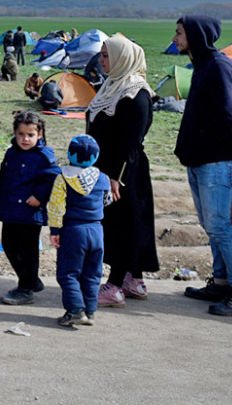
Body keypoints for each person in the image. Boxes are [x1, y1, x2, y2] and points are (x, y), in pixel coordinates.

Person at [87, 36, 158, 309]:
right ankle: (133, 280)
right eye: (102, 55)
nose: (102, 61)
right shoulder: (112, 86)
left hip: (125, 172)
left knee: (123, 225)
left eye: (106, 56)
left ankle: (115, 285)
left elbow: (133, 140)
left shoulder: (136, 93)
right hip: (108, 169)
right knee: (131, 223)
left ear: (122, 58)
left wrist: (117, 176)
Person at [172, 16, 232, 316]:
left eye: (180, 32)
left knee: (219, 225)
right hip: (199, 160)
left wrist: (200, 142)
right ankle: (221, 282)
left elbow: (227, 116)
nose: (175, 38)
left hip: (215, 161)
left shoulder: (219, 67)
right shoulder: (201, 67)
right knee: (210, 226)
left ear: (196, 35)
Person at [0, 111, 60, 306]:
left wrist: (39, 196)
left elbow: (54, 178)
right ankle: (30, 280)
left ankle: (25, 289)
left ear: (39, 134)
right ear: (15, 132)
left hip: (30, 214)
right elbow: (5, 175)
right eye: (21, 134)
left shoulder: (42, 157)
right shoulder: (12, 153)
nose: (25, 139)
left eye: (30, 135)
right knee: (9, 245)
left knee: (28, 251)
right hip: (10, 210)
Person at [48, 135, 111, 327]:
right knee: (92, 274)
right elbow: (107, 201)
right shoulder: (103, 178)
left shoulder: (63, 178)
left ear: (69, 154)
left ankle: (75, 310)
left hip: (73, 230)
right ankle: (90, 311)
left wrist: (55, 229)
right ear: (96, 156)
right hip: (97, 230)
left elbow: (56, 206)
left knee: (68, 273)